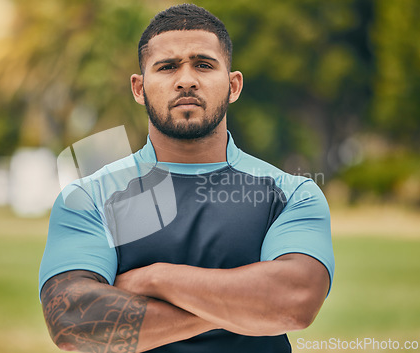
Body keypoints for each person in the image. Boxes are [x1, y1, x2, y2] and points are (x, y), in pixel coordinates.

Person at [39, 4, 334, 353]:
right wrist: (250, 309)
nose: (186, 80)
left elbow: (295, 299)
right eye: (166, 67)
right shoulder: (89, 197)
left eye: (204, 65)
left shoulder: (291, 194)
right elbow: (73, 321)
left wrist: (154, 278)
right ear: (138, 88)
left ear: (233, 84)